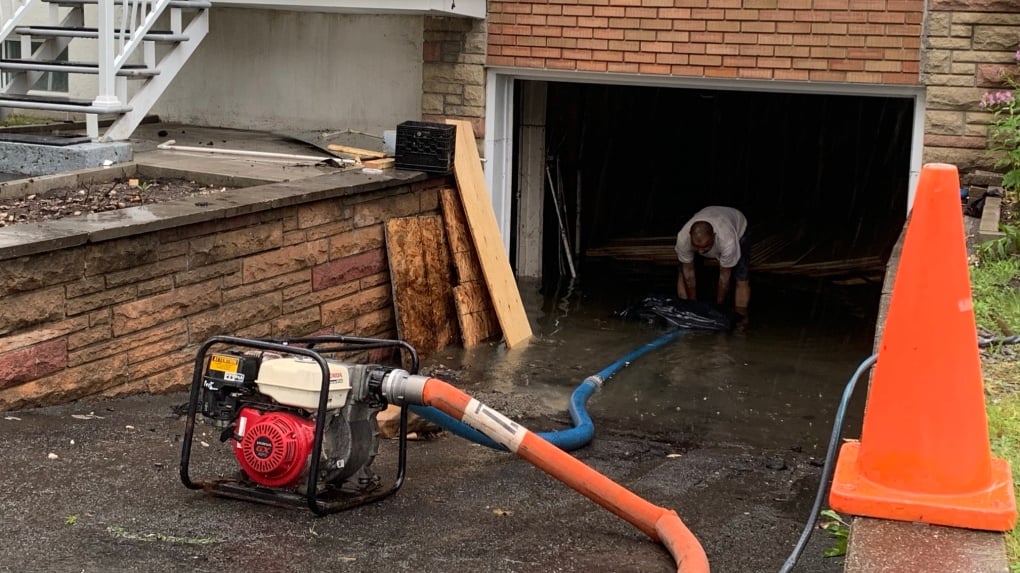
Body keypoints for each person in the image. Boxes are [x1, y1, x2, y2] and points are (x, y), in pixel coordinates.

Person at [674, 205, 750, 317]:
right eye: (696, 246)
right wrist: (693, 305)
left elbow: (724, 278)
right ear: (690, 236)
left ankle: (742, 319)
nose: (700, 252)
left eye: (705, 247)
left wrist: (717, 308)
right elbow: (688, 273)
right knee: (682, 273)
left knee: (741, 278)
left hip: (738, 225)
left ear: (714, 237)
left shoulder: (727, 241)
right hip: (709, 213)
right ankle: (686, 308)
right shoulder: (683, 238)